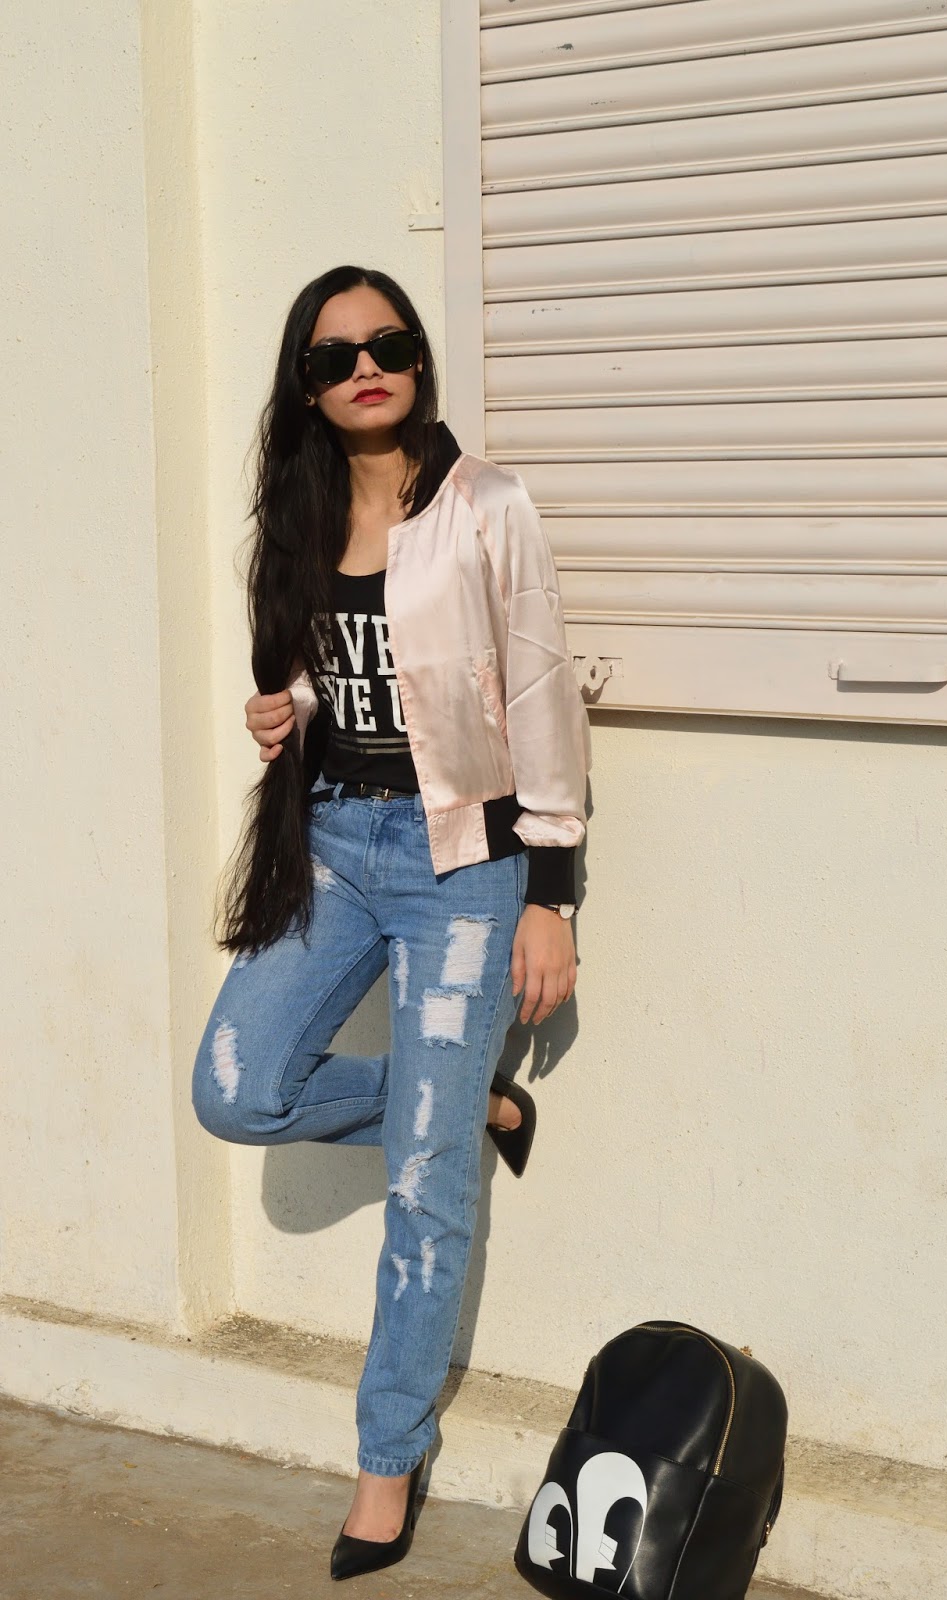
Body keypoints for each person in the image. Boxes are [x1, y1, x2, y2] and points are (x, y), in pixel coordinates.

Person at [191, 264, 590, 1580]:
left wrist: (551, 893)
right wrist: (287, 711)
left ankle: (387, 1456)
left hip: (460, 861)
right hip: (335, 845)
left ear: (418, 357)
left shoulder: (487, 505)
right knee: (238, 1088)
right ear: (306, 388)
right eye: (333, 356)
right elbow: (342, 677)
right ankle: (466, 1098)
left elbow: (536, 693)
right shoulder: (300, 512)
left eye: (387, 343)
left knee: (424, 1189)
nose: (365, 367)